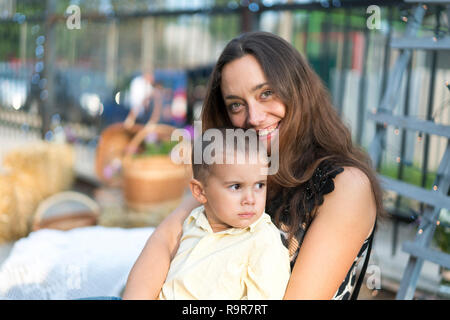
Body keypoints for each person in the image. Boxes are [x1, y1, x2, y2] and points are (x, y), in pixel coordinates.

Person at [123, 31, 383, 300]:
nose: (255, 117)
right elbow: (165, 240)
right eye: (236, 105)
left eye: (266, 93)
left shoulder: (346, 185)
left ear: (297, 90)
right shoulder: (237, 167)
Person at [158, 129, 290, 300]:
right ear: (200, 191)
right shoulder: (194, 221)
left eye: (259, 185)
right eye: (236, 186)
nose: (250, 199)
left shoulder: (262, 240)